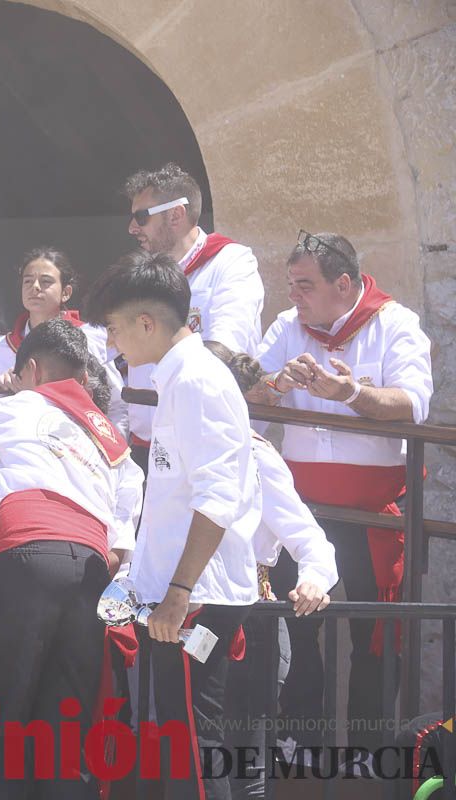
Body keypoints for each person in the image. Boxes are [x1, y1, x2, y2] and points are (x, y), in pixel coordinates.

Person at [0, 319, 144, 799]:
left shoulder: (22, 405)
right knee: (69, 724)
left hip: (26, 556)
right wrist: (113, 557)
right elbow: (128, 507)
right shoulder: (110, 436)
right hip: (90, 566)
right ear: (83, 378)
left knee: (6, 715)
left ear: (33, 369)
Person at [84, 252, 260, 800]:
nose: (113, 344)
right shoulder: (180, 377)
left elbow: (216, 499)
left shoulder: (196, 382)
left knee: (194, 743)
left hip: (195, 600)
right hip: (177, 597)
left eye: (113, 329)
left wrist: (179, 594)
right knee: (185, 739)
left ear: (145, 322)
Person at [251, 231, 432, 753]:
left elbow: (413, 403)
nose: (294, 296)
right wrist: (279, 384)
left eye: (305, 285)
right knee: (297, 628)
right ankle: (301, 743)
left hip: (376, 516)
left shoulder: (396, 323)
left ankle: (370, 754)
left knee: (376, 638)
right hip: (299, 513)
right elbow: (250, 395)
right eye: (291, 285)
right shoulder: (288, 327)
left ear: (344, 283)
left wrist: (350, 393)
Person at [206, 342, 338, 799]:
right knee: (196, 758)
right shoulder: (180, 452)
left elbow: (311, 538)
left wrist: (314, 578)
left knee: (244, 771)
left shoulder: (257, 455)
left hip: (251, 626)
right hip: (191, 620)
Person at [120, 163, 264, 466]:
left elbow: (227, 346)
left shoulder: (231, 262)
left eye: (141, 217)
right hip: (147, 447)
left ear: (176, 215)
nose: (132, 228)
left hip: (206, 443)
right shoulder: (142, 273)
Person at [0, 247, 127, 435]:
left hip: (77, 446)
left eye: (46, 282)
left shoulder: (90, 336)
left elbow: (116, 405)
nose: (34, 287)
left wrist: (111, 451)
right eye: (28, 281)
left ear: (66, 292)